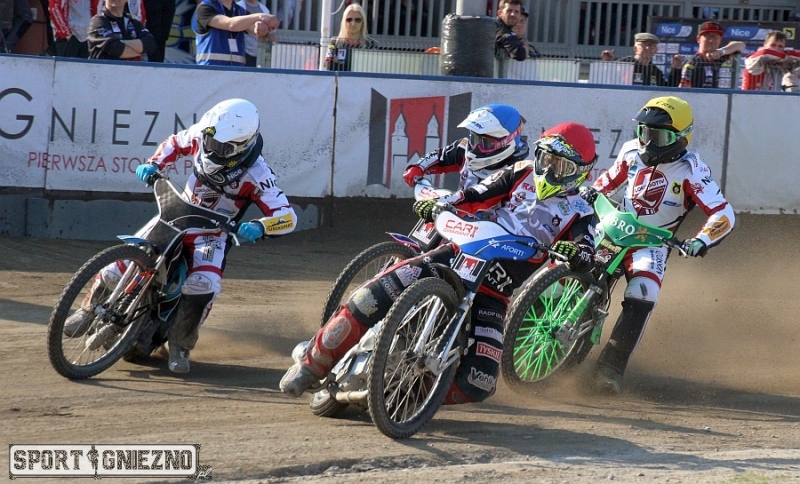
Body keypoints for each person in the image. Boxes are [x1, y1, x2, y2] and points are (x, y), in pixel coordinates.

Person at [279, 122, 599, 402]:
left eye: (560, 166)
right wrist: (439, 206)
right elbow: (474, 195)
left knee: (479, 383)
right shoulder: (521, 171)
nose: (549, 170)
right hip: (455, 255)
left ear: (580, 172)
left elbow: (587, 250)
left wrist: (578, 254)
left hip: (493, 294)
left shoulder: (581, 211)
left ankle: (403, 395)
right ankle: (311, 364)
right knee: (373, 294)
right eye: (545, 159)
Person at [64, 99, 297, 373]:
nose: (210, 148)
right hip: (176, 214)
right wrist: (154, 164)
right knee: (122, 261)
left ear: (241, 146)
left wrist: (261, 226)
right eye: (209, 141)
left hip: (211, 234)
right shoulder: (203, 133)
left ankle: (180, 346)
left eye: (221, 147)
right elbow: (174, 143)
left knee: (203, 284)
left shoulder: (259, 174)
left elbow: (287, 216)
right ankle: (88, 309)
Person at [581, 96, 735, 394]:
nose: (649, 142)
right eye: (645, 132)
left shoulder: (692, 170)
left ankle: (610, 369)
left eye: (659, 136)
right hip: (613, 228)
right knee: (571, 261)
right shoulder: (630, 150)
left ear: (681, 138)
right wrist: (593, 192)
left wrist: (702, 240)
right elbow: (608, 181)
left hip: (652, 242)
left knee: (644, 292)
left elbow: (723, 213)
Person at [401, 103, 529, 192]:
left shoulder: (517, 172)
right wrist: (418, 167)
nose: (476, 147)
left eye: (486, 143)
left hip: (489, 221)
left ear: (507, 142)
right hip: (456, 213)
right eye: (475, 139)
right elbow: (440, 157)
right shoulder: (463, 148)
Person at [193, 0, 278, 66]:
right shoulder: (204, 8)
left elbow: (254, 28)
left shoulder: (240, 10)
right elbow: (230, 24)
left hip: (236, 73)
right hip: (210, 71)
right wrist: (260, 17)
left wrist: (259, 24)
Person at [600, 32, 683, 87]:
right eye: (643, 45)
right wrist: (608, 64)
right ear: (635, 48)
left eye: (651, 46)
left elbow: (667, 89)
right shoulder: (624, 64)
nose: (647, 48)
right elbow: (607, 80)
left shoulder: (655, 71)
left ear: (656, 50)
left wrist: (676, 69)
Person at [679, 21, 745, 89]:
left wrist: (721, 51)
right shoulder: (693, 61)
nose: (712, 40)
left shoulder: (719, 57)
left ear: (720, 40)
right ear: (698, 39)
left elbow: (741, 45)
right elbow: (683, 88)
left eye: (715, 37)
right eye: (708, 36)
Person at [87, 0, 157, 61]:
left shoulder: (132, 21)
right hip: (103, 70)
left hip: (130, 71)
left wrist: (121, 43)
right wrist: (139, 51)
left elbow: (151, 44)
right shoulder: (98, 21)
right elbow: (115, 48)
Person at [323, 3, 376, 72]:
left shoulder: (370, 44)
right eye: (349, 19)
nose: (353, 23)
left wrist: (339, 65)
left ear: (363, 22)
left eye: (357, 20)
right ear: (344, 22)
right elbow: (329, 65)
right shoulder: (334, 42)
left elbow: (373, 68)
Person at [236, 0, 277, 67]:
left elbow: (272, 34)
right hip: (243, 52)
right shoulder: (239, 6)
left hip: (260, 54)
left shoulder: (264, 9)